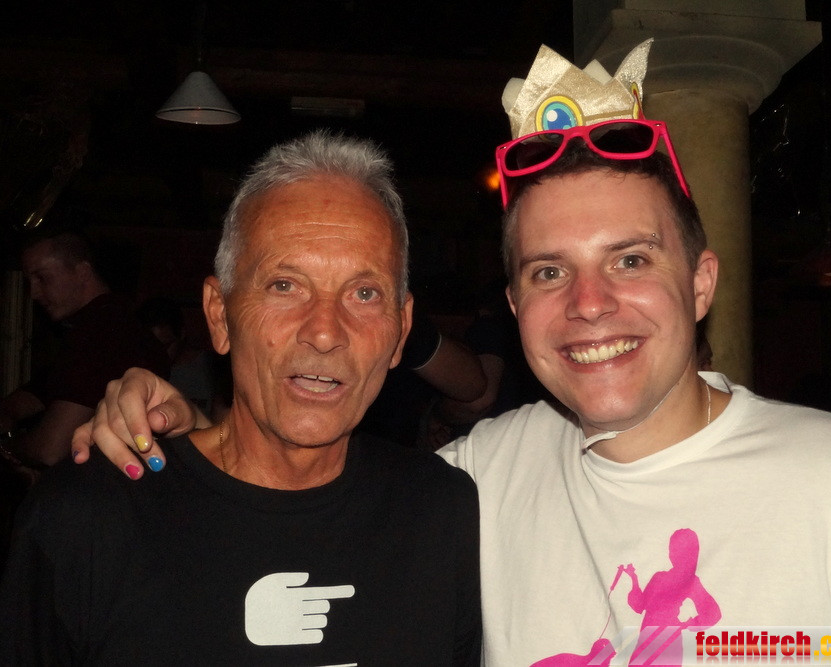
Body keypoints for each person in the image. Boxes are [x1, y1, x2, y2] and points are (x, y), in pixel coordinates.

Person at [69, 42, 831, 665]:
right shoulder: (477, 481)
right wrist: (189, 425)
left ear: (702, 282)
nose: (589, 303)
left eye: (631, 259)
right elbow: (302, 473)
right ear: (515, 307)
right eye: (550, 271)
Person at [0, 131, 482, 665]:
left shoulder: (443, 512)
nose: (325, 332)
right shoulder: (85, 520)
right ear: (219, 316)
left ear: (401, 329)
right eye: (285, 285)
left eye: (364, 293)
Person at [0, 229, 170, 469]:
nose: (34, 293)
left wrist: (8, 446)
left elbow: (51, 449)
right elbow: (40, 391)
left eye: (42, 278)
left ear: (83, 272)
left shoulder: (100, 332)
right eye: (30, 282)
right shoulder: (108, 324)